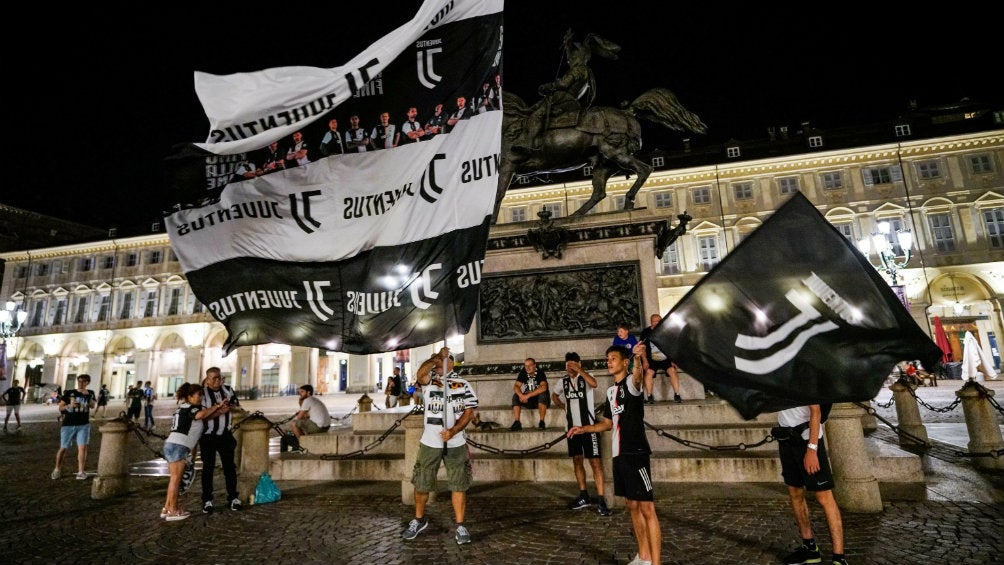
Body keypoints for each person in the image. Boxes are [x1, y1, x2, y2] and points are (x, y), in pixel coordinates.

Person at [567, 345, 661, 565]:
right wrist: (584, 429)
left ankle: (656, 562)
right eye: (607, 359)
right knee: (632, 506)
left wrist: (638, 359)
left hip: (636, 452)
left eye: (613, 358)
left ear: (624, 361)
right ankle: (644, 556)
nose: (609, 362)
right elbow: (608, 424)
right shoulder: (611, 392)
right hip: (619, 455)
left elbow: (638, 378)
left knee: (647, 507)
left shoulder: (631, 383)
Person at [401, 348, 478, 545]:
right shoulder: (429, 381)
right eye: (437, 361)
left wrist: (453, 431)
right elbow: (420, 375)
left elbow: (470, 411)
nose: (440, 364)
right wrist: (435, 358)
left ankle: (461, 525)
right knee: (422, 482)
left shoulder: (463, 384)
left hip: (456, 442)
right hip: (430, 442)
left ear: (452, 363)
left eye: (445, 360)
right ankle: (419, 520)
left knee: (458, 484)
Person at [518, 30, 619, 152]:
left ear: (577, 57)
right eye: (569, 59)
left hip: (563, 99)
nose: (569, 61)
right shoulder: (587, 71)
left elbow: (563, 83)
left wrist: (548, 86)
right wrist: (568, 45)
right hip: (572, 102)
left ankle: (528, 144)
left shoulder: (578, 70)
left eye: (571, 58)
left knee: (537, 114)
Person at [777, 404, 847, 565]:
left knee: (824, 497)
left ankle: (839, 558)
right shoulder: (781, 378)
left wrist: (812, 449)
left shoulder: (806, 377)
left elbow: (816, 411)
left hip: (808, 440)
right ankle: (809, 548)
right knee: (795, 493)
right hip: (786, 438)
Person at [550, 352, 610, 516]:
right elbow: (554, 395)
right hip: (571, 428)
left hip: (589, 428)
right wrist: (562, 405)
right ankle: (583, 495)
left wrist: (580, 370)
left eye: (573, 363)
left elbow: (595, 384)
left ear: (579, 363)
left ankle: (601, 498)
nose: (570, 367)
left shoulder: (586, 377)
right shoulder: (563, 381)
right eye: (567, 364)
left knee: (595, 462)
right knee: (577, 461)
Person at [161, 383, 212, 521]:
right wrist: (217, 406)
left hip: (172, 443)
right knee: (176, 480)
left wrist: (219, 410)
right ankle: (173, 510)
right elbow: (201, 415)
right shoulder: (192, 408)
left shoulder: (183, 407)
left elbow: (204, 416)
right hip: (179, 445)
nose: (201, 397)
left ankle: (166, 507)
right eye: (198, 395)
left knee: (173, 479)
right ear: (189, 396)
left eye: (202, 395)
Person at [200, 367, 242, 513]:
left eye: (219, 377)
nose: (217, 380)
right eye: (213, 378)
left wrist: (231, 407)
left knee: (229, 467)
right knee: (208, 468)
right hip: (208, 436)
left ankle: (233, 497)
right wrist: (218, 411)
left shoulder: (228, 390)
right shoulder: (202, 393)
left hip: (225, 434)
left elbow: (237, 406)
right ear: (207, 379)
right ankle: (207, 500)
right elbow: (202, 416)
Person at [51, 374, 97, 480]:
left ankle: (80, 471)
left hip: (83, 424)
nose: (81, 383)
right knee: (63, 448)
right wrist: (69, 406)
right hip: (68, 424)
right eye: (79, 381)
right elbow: (61, 408)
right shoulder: (69, 393)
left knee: (82, 447)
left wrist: (88, 397)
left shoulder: (90, 393)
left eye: (84, 381)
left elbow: (93, 405)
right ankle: (57, 469)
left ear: (87, 383)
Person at [640, 313, 682, 404]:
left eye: (658, 321)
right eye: (654, 322)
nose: (656, 323)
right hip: (652, 359)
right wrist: (645, 361)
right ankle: (650, 396)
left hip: (666, 359)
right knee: (648, 373)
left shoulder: (667, 331)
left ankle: (677, 394)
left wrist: (673, 360)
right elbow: (642, 348)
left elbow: (672, 347)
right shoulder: (645, 332)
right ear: (651, 323)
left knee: (672, 371)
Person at [510, 357, 549, 431]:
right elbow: (516, 386)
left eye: (530, 365)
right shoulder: (523, 372)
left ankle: (542, 422)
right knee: (515, 396)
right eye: (526, 366)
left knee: (542, 394)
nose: (527, 368)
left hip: (540, 401)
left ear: (535, 365)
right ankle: (517, 422)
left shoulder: (540, 372)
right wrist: (521, 395)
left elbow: (544, 387)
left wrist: (527, 395)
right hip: (529, 401)